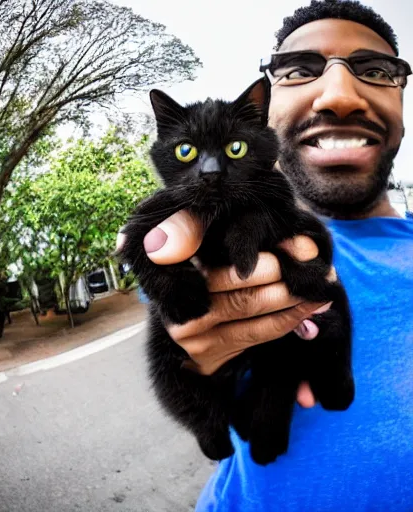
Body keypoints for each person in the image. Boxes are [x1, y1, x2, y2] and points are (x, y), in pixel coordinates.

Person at [117, 0, 413, 510]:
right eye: (298, 70)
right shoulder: (198, 228)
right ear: (269, 113)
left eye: (376, 70)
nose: (339, 94)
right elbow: (173, 302)